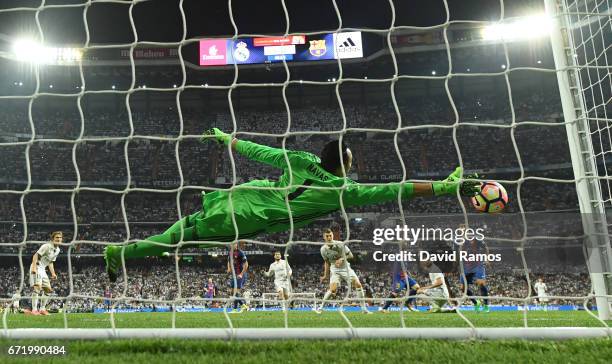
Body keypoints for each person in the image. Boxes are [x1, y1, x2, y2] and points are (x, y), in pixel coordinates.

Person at [104, 128, 479, 281]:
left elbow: (259, 150)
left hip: (239, 195)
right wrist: (446, 188)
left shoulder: (301, 160)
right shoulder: (345, 191)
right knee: (176, 242)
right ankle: (119, 254)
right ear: (345, 165)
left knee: (175, 235)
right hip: (247, 219)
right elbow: (400, 189)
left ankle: (118, 253)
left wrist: (227, 140)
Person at [317, 228, 371, 314]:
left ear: (332, 236)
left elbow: (351, 255)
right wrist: (325, 275)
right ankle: (320, 307)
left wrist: (342, 259)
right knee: (333, 290)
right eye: (327, 236)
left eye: (330, 235)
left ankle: (364, 309)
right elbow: (327, 262)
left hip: (345, 268)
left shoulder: (340, 244)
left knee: (358, 284)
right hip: (335, 269)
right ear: (324, 237)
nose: (329, 238)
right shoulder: (323, 249)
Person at [25, 231, 62, 316]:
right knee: (37, 288)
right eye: (57, 237)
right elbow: (35, 255)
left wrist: (53, 273)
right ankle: (34, 310)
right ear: (53, 239)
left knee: (48, 290)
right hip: (37, 267)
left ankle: (42, 309)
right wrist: (34, 267)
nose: (59, 239)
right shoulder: (47, 246)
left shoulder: (57, 250)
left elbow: (50, 262)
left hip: (43, 269)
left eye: (60, 238)